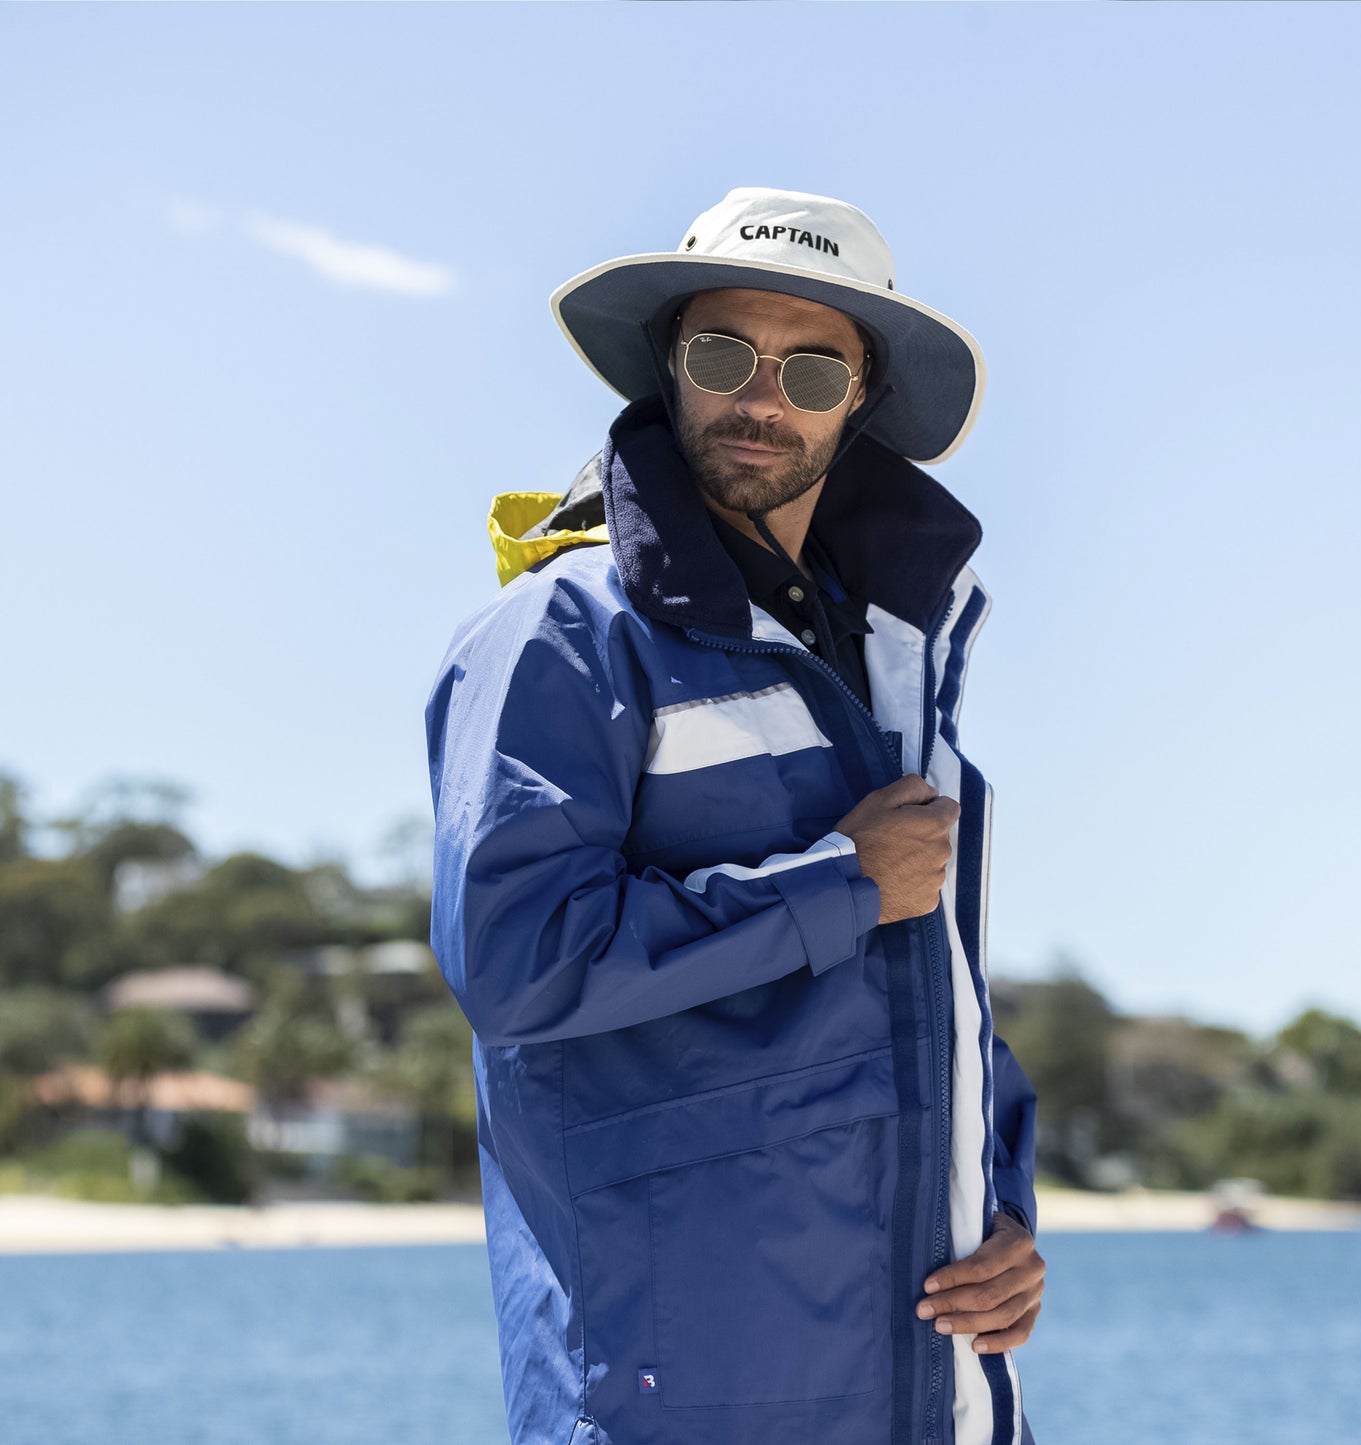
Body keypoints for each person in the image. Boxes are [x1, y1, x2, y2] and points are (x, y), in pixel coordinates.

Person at [426, 186, 1045, 1445]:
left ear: (858, 401)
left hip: (936, 1393)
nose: (760, 398)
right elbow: (517, 959)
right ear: (670, 368)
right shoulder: (560, 633)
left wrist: (1007, 1213)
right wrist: (840, 883)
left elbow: (935, 983)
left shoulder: (898, 657)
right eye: (724, 355)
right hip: (677, 1392)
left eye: (810, 370)